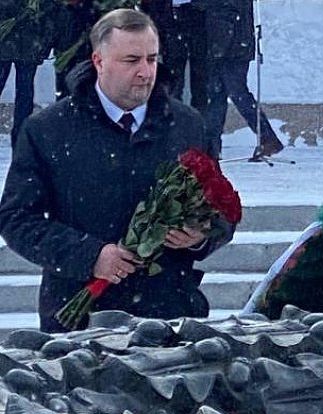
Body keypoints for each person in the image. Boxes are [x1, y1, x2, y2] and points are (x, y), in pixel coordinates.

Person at [0, 9, 234, 333]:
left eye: (152, 59)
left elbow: (222, 210)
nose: (145, 72)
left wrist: (199, 235)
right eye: (131, 60)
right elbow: (16, 218)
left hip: (169, 314)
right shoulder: (48, 130)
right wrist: (89, 255)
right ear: (98, 61)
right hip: (79, 320)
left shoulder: (187, 125)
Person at [200, 0, 284, 161]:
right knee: (219, 96)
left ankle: (267, 137)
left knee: (235, 93)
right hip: (230, 43)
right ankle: (212, 147)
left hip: (230, 45)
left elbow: (226, 9)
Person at [0, 0, 57, 147]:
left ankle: (20, 138)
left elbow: (49, 15)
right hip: (17, 44)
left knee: (25, 94)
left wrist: (45, 46)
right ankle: (20, 139)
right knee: (24, 94)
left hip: (26, 45)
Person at [140, 0, 209, 111]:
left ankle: (199, 117)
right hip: (170, 18)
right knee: (174, 79)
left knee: (200, 80)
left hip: (198, 15)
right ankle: (175, 116)